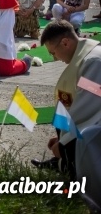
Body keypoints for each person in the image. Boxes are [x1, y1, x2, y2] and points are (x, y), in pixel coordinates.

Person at [33, 20, 101, 178]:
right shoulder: (86, 54)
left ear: (65, 43)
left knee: (75, 140)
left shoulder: (93, 62)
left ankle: (67, 166)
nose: (54, 58)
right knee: (63, 116)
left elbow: (89, 105)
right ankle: (62, 161)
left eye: (53, 52)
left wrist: (65, 141)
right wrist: (61, 136)